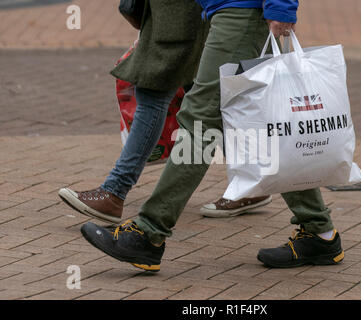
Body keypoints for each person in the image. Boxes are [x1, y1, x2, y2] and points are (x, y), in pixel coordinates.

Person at [80, 0, 344, 272]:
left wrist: (280, 7)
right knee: (258, 123)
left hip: (241, 12)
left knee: (200, 122)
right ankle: (319, 232)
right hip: (228, 11)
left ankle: (148, 233)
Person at [58, 0, 271, 225]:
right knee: (210, 102)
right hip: (186, 16)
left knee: (155, 94)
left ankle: (116, 193)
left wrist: (280, 9)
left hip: (180, 17)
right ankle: (253, 182)